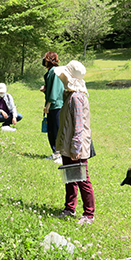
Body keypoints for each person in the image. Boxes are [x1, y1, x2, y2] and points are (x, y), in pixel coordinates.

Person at [54, 60, 95, 225]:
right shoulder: (70, 94)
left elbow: (79, 126)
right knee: (70, 177)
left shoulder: (77, 97)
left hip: (75, 146)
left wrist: (75, 148)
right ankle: (70, 208)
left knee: (82, 179)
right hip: (68, 144)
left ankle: (89, 214)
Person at [41, 52, 64, 164]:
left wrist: (48, 105)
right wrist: (46, 88)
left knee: (55, 129)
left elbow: (55, 89)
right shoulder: (53, 71)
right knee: (52, 128)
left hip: (55, 105)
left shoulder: (55, 72)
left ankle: (58, 154)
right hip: (55, 104)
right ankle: (56, 152)